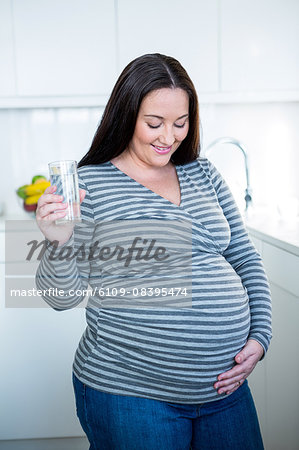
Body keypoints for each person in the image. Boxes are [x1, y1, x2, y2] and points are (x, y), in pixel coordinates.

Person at [35, 53, 272, 450]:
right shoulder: (89, 184)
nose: (168, 137)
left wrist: (260, 337)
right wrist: (57, 241)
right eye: (154, 123)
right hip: (131, 393)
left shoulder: (203, 172)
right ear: (126, 115)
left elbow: (244, 257)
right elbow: (62, 298)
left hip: (224, 391)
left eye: (180, 123)